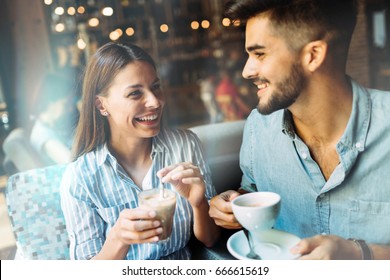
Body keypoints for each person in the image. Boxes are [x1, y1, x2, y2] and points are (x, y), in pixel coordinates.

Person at [209, 0, 390, 260]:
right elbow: (252, 191)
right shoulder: (258, 129)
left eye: (259, 54)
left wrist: (360, 255)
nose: (247, 71)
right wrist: (235, 203)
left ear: (313, 55)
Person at [60, 42, 219, 260]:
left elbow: (211, 239)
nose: (155, 102)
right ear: (101, 105)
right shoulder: (81, 177)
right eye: (135, 93)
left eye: (155, 87)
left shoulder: (185, 145)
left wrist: (199, 203)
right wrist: (118, 238)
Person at [29, 73, 77, 165]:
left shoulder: (50, 126)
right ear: (50, 102)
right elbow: (72, 163)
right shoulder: (43, 136)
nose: (70, 109)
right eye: (65, 104)